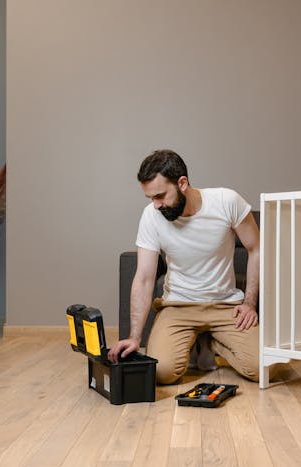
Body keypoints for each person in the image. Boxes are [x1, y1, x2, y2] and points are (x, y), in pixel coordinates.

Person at [107, 149, 260, 384]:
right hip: (178, 305)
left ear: (182, 183)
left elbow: (256, 249)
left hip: (225, 305)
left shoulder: (226, 201)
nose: (156, 205)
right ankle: (196, 340)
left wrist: (249, 304)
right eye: (150, 198)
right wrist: (135, 337)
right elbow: (144, 278)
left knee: (262, 368)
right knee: (160, 373)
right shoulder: (151, 216)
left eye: (160, 195)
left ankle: (210, 341)